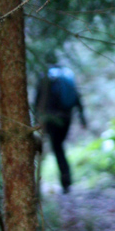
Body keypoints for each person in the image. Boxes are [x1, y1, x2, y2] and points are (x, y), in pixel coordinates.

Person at [35, 56, 86, 193]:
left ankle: (62, 182)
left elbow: (38, 100)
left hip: (51, 118)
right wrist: (82, 119)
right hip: (67, 117)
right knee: (59, 147)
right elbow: (77, 98)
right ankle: (66, 182)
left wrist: (36, 119)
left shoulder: (45, 77)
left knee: (56, 148)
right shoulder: (67, 76)